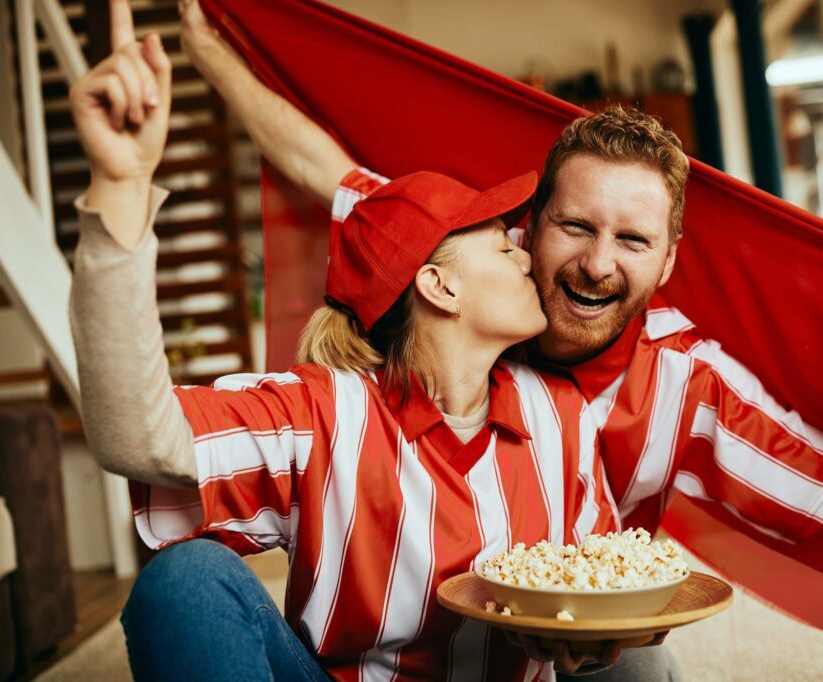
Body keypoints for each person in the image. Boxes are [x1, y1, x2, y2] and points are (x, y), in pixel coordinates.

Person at [176, 0, 823, 677]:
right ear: (524, 231)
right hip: (394, 612)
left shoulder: (680, 383)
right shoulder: (462, 269)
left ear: (668, 262)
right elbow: (327, 170)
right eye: (575, 226)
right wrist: (212, 50)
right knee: (188, 583)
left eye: (633, 243)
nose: (597, 265)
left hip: (559, 649)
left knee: (645, 669)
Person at [67, 3, 640, 680]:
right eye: (496, 240)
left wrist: (595, 637)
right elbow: (135, 439)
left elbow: (604, 587)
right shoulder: (323, 414)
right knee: (185, 579)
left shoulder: (563, 416)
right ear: (438, 286)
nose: (522, 250)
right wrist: (123, 187)